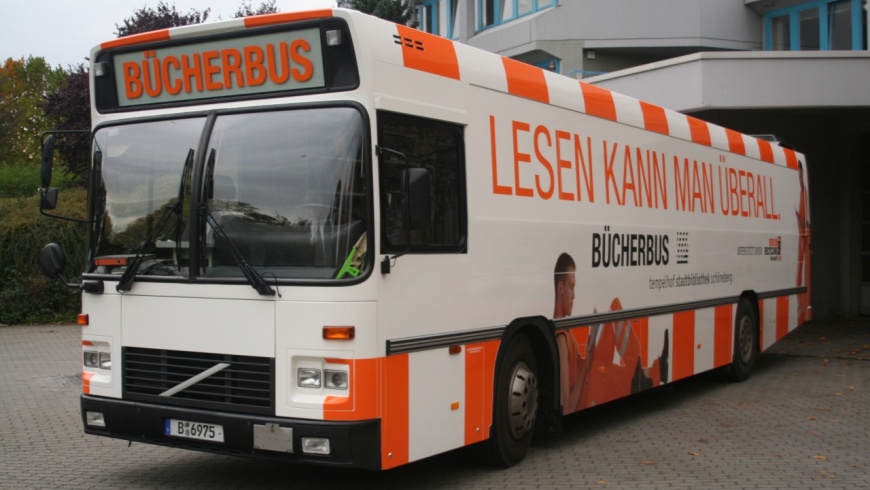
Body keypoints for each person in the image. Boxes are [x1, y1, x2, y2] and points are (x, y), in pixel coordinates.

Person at [552, 253, 669, 413]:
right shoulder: (561, 339)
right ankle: (646, 370)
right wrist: (587, 365)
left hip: (591, 378)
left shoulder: (562, 328)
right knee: (614, 309)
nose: (574, 295)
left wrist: (588, 356)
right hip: (589, 387)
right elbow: (567, 407)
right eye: (571, 287)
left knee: (612, 370)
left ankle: (653, 372)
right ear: (560, 289)